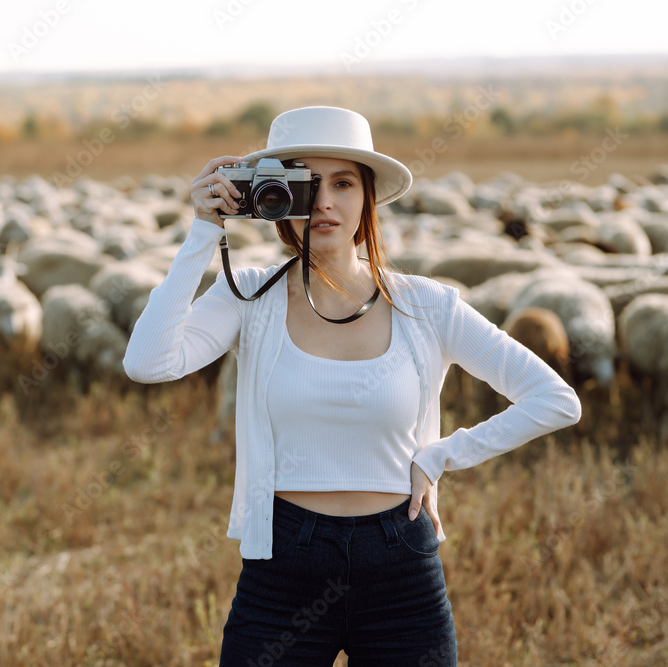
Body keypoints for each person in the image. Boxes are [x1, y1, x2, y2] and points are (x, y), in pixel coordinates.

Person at [122, 106, 581, 665]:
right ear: (273, 196)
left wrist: (443, 455)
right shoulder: (247, 297)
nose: (323, 202)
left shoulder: (426, 306)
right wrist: (203, 231)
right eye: (304, 183)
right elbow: (148, 362)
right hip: (282, 563)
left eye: (342, 183)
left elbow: (556, 399)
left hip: (401, 567)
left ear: (368, 198)